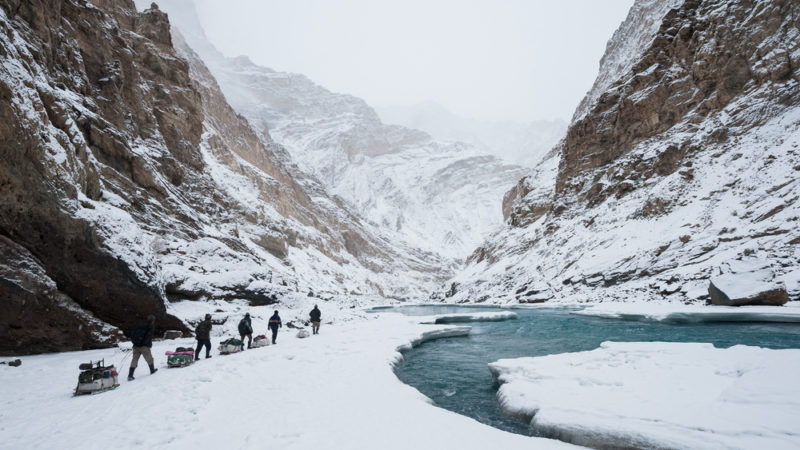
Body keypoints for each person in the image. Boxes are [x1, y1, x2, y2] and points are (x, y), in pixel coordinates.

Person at [129, 315, 157, 381]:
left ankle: (130, 375)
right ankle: (152, 370)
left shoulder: (140, 325)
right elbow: (148, 336)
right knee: (149, 358)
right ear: (153, 320)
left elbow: (132, 334)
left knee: (134, 359)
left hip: (136, 346)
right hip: (144, 346)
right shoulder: (150, 326)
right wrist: (147, 344)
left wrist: (135, 343)